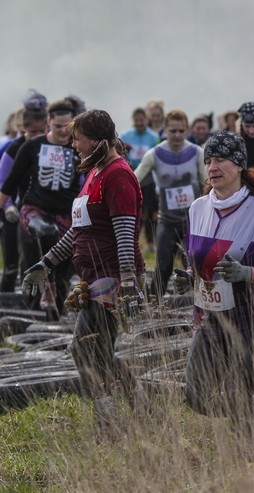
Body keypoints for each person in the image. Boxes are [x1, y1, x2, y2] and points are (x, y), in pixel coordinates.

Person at [21, 109, 147, 433]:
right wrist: (45, 264)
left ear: (98, 140)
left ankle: (109, 420)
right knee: (99, 350)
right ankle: (140, 405)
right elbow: (78, 230)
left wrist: (129, 283)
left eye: (78, 138)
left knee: (84, 347)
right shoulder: (94, 171)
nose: (74, 144)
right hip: (91, 276)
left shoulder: (118, 175)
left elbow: (124, 234)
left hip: (113, 276)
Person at [173, 130, 254, 444]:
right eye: (208, 160)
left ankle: (251, 454)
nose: (213, 167)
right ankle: (253, 408)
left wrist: (247, 274)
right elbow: (195, 259)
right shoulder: (197, 208)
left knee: (238, 392)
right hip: (211, 319)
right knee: (195, 395)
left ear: (239, 165)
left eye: (221, 160)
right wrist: (188, 274)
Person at [0, 95, 85, 318]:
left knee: (64, 272)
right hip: (34, 211)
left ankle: (55, 321)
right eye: (58, 127)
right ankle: (29, 314)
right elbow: (9, 182)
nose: (63, 131)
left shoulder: (79, 147)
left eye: (67, 127)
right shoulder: (32, 146)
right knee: (39, 251)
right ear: (49, 121)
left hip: (67, 214)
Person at [135, 110, 206, 300]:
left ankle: (203, 304)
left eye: (181, 131)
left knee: (197, 265)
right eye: (172, 131)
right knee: (163, 266)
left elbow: (208, 183)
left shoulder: (196, 152)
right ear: (165, 130)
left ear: (187, 130)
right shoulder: (154, 154)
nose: (177, 135)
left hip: (193, 221)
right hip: (167, 221)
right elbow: (134, 179)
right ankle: (152, 304)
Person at [0, 90, 48, 292]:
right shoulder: (14, 148)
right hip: (18, 209)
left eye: (40, 132)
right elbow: (5, 181)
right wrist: (9, 207)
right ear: (23, 129)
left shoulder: (50, 146)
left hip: (46, 208)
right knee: (13, 261)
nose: (36, 137)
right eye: (31, 133)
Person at [119, 107, 160, 251]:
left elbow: (157, 157)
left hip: (148, 179)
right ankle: (133, 241)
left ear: (146, 120)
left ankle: (150, 242)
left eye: (142, 120)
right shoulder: (126, 135)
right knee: (134, 211)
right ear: (133, 121)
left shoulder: (154, 137)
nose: (139, 123)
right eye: (136, 120)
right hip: (131, 177)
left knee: (149, 212)